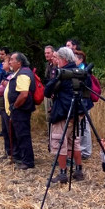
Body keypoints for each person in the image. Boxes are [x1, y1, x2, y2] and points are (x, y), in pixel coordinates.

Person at [44, 47, 85, 183]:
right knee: (75, 142)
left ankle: (62, 174)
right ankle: (79, 170)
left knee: (59, 142)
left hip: (62, 112)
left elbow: (47, 90)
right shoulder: (80, 72)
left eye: (57, 58)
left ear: (63, 59)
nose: (56, 61)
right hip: (77, 111)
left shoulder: (63, 74)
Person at [5, 52, 36, 169]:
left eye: (12, 59)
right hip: (19, 109)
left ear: (19, 62)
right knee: (18, 134)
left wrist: (15, 106)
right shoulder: (18, 73)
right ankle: (20, 157)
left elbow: (23, 95)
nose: (10, 62)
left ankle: (28, 161)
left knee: (23, 135)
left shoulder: (23, 74)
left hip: (21, 110)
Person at [0, 57, 12, 158]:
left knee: (9, 129)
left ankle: (12, 152)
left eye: (4, 62)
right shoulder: (2, 74)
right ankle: (7, 151)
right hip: (1, 104)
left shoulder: (11, 76)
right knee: (4, 129)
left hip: (7, 105)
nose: (2, 64)